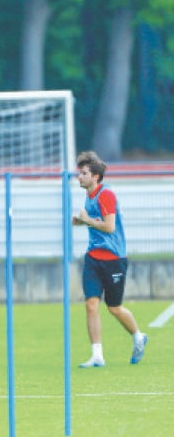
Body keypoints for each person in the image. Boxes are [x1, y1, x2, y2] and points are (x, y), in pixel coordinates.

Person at [72, 151, 147, 367]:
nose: (80, 177)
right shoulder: (89, 196)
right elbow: (93, 222)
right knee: (91, 304)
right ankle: (97, 355)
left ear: (95, 176)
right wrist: (80, 221)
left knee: (114, 308)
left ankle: (138, 337)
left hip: (114, 259)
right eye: (80, 173)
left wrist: (87, 220)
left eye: (84, 173)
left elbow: (109, 226)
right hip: (93, 258)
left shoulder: (106, 195)